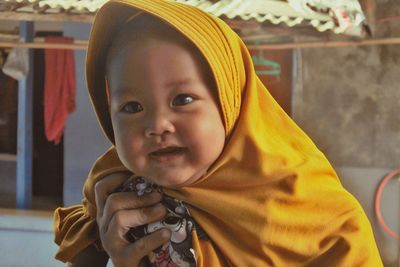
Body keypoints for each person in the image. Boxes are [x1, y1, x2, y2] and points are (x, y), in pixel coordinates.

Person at [54, 0, 383, 266]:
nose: (157, 125)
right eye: (132, 107)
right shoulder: (111, 192)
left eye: (182, 100)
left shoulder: (312, 211)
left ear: (232, 104)